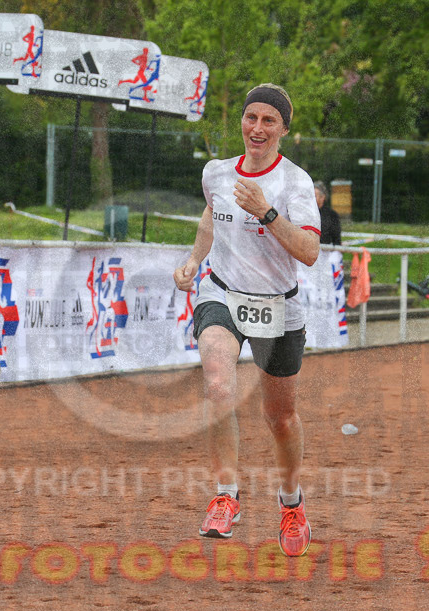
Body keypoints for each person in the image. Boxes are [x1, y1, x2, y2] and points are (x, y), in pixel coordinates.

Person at [173, 83, 321, 556]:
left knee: (279, 417)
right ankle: (226, 496)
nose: (257, 128)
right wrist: (194, 261)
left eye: (268, 121)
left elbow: (310, 252)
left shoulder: (295, 183)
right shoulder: (216, 172)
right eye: (251, 117)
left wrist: (267, 211)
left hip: (278, 305)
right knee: (218, 386)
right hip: (221, 293)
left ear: (283, 129)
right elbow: (210, 219)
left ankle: (292, 504)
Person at [313, 180, 342, 247]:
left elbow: (336, 239)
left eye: (314, 196)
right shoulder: (304, 213)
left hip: (327, 252)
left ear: (322, 197)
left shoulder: (332, 215)